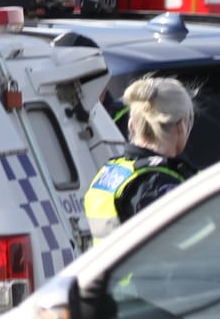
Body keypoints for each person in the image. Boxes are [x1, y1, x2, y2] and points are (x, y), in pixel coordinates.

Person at [84, 76, 198, 246]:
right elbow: (192, 243)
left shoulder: (113, 171)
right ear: (181, 126)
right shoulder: (158, 184)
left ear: (132, 124)